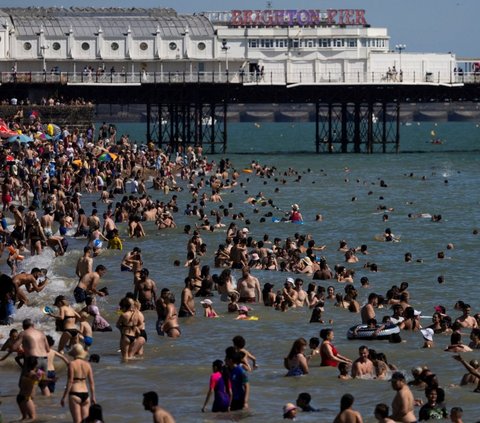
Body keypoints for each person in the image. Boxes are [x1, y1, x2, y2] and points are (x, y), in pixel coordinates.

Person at [61, 344, 96, 423]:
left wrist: (64, 397)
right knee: (85, 421)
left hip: (75, 393)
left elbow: (70, 381)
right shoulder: (88, 364)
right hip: (86, 394)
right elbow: (91, 382)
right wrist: (93, 397)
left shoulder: (72, 364)